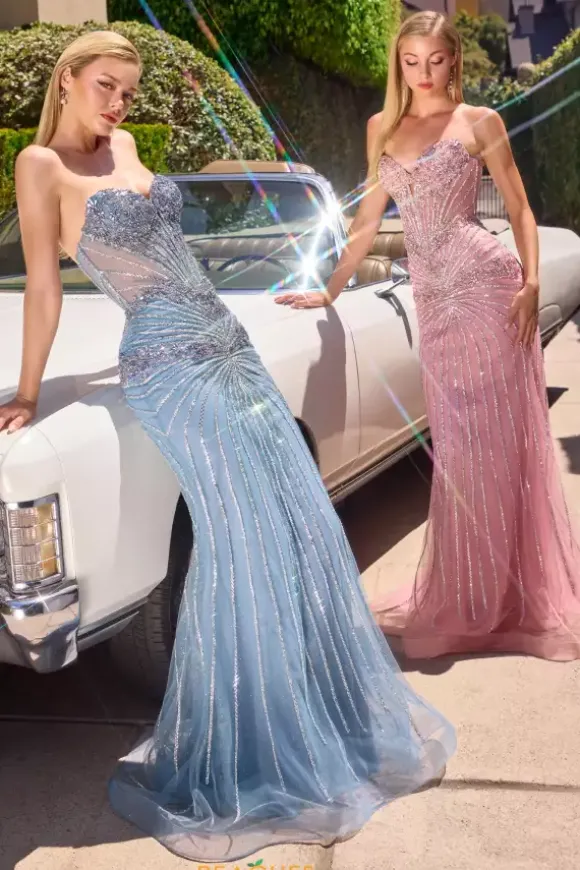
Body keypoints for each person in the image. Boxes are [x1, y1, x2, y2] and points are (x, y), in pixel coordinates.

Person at [0, 31, 455, 863]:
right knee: (235, 530)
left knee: (291, 516)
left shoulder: (125, 148)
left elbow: (168, 246)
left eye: (128, 92)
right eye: (106, 87)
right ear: (67, 80)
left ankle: (310, 712)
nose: (119, 105)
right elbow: (42, 286)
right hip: (165, 363)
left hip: (228, 342)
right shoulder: (41, 167)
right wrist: (29, 392)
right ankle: (251, 731)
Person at [276, 10, 580, 662]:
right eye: (411, 61)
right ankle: (469, 591)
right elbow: (366, 222)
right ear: (399, 63)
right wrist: (329, 289)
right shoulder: (380, 129)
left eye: (435, 61)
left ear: (454, 60)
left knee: (499, 442)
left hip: (489, 290)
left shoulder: (480, 122)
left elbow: (520, 208)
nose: (424, 73)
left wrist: (530, 282)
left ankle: (513, 595)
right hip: (435, 304)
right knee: (459, 451)